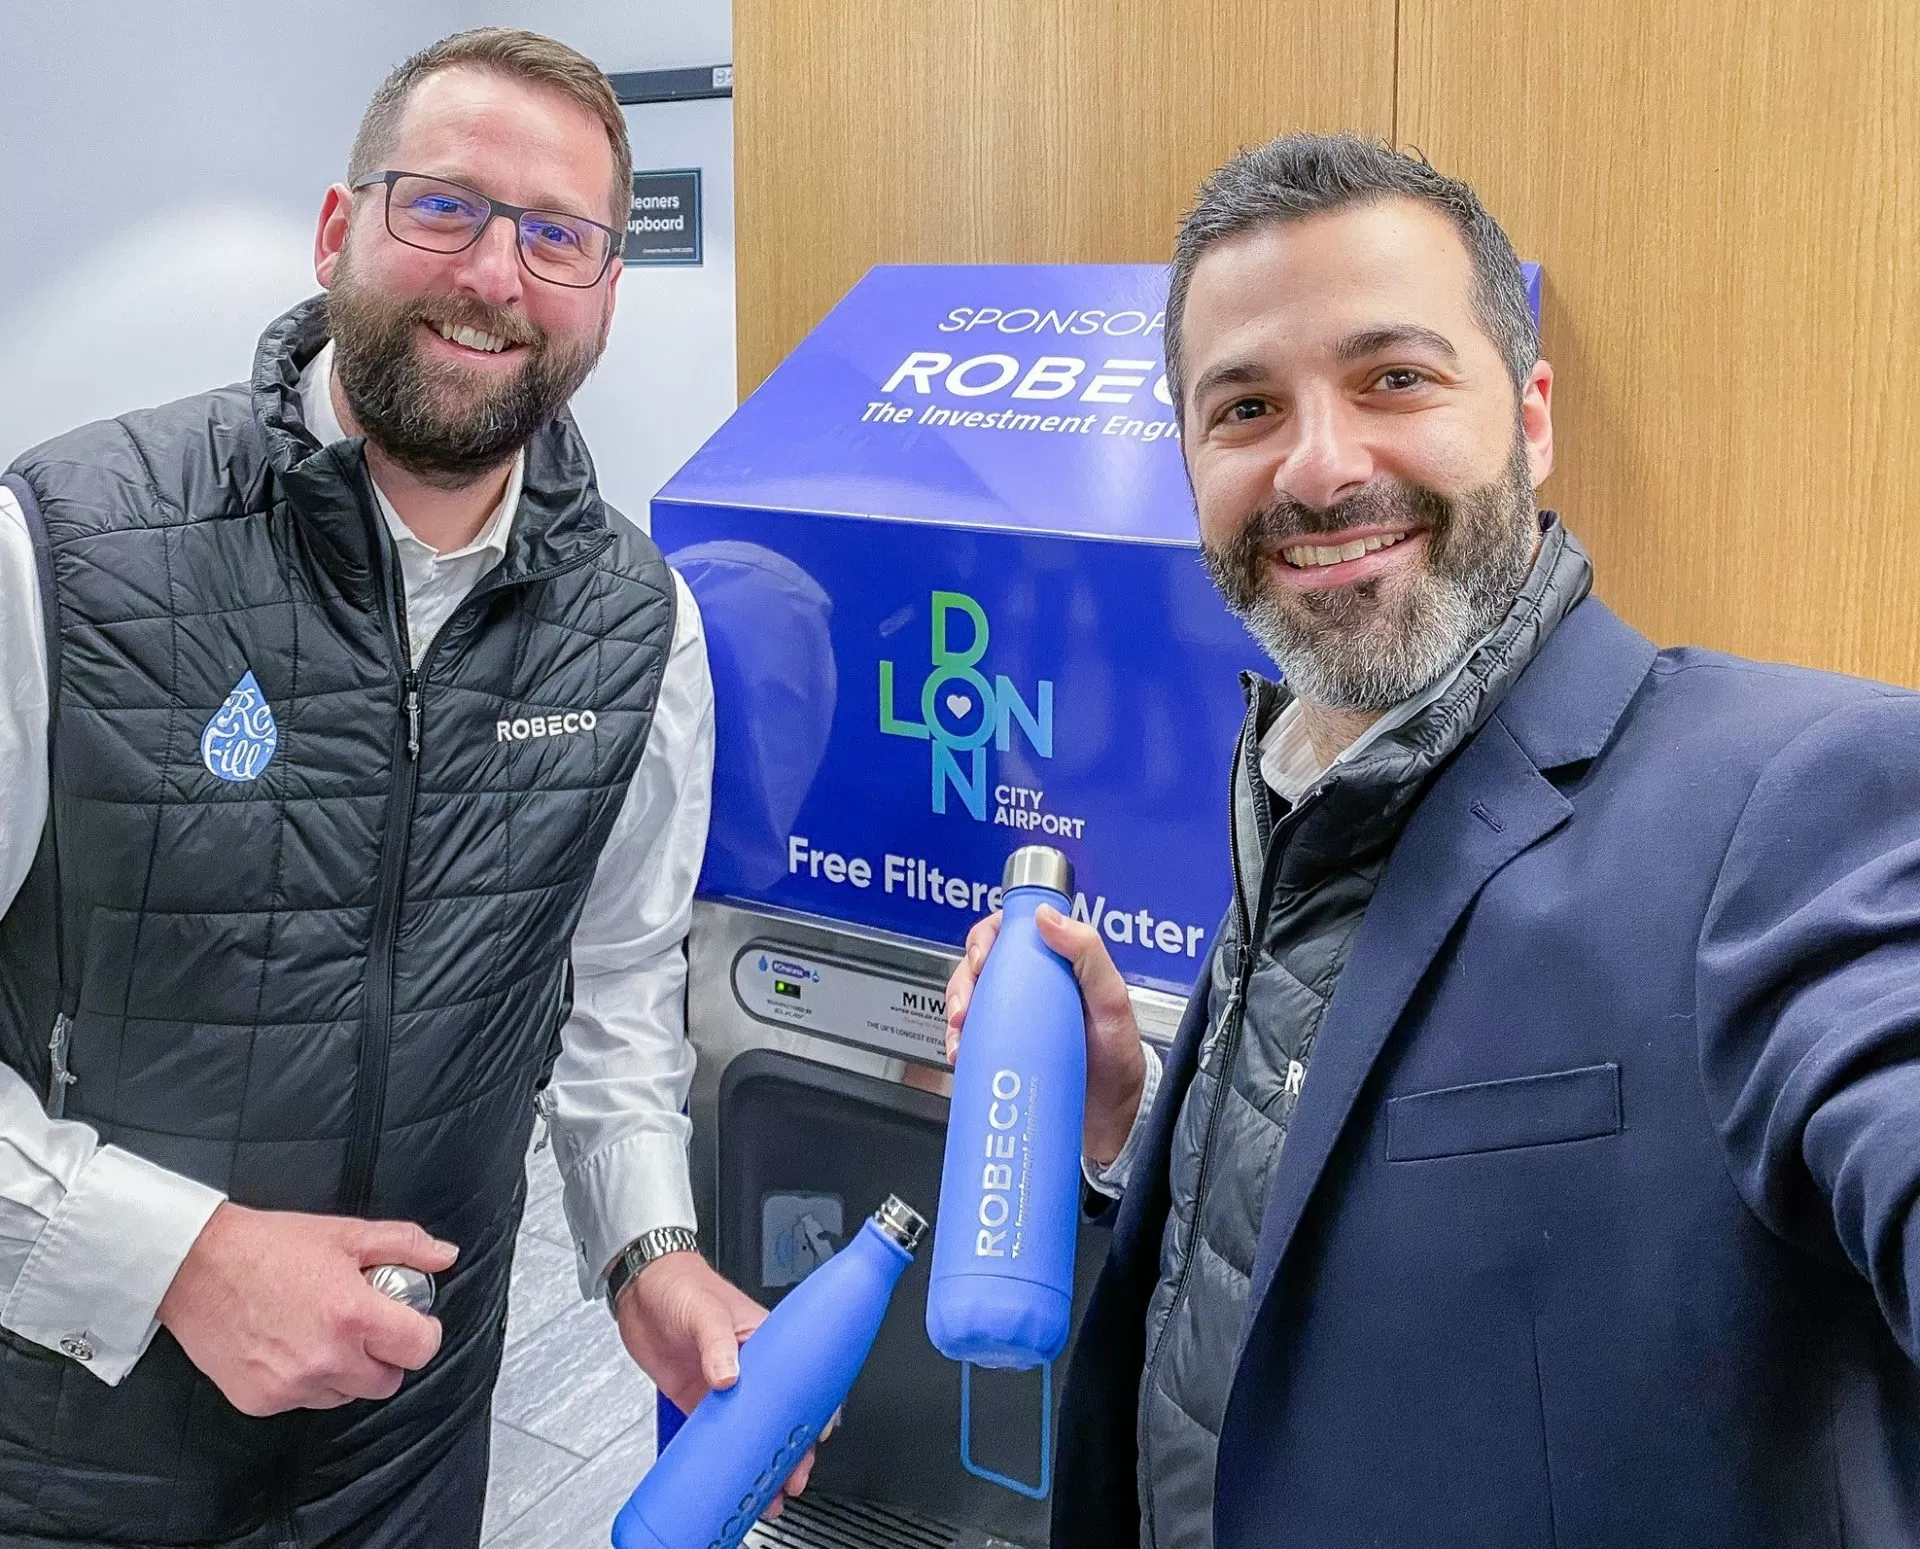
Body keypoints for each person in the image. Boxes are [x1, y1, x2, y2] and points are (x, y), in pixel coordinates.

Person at [944, 133, 1920, 1548]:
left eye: (1393, 379)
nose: (1320, 467)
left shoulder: (1796, 796)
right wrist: (1130, 1134)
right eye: (1246, 409)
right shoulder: (1309, 786)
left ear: (1529, 417)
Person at [0, 29, 800, 1546]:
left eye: (559, 236)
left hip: (413, 1454)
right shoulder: (62, 549)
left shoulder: (639, 623)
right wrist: (168, 1257)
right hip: (64, 1454)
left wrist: (648, 1248)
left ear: (608, 291)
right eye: (443, 206)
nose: (497, 276)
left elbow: (614, 997)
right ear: (336, 229)